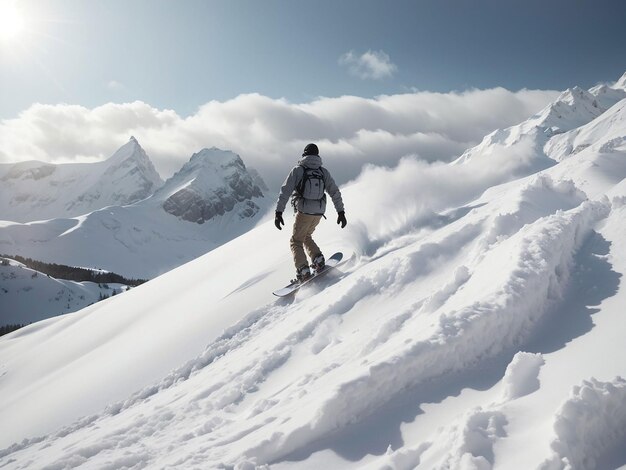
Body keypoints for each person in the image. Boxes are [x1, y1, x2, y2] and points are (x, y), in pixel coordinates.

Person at [274, 143, 347, 282]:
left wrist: (279, 212)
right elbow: (334, 192)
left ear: (304, 154)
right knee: (306, 236)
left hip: (304, 212)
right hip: (319, 212)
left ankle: (303, 270)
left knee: (296, 241)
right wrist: (341, 212)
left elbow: (285, 190)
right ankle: (318, 259)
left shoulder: (298, 170)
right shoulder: (323, 172)